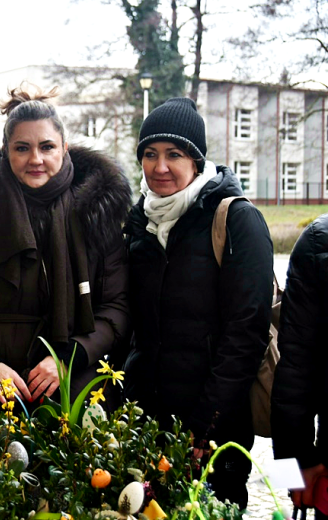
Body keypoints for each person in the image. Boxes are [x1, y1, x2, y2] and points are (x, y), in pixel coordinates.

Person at [0, 86, 131, 428]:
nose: (35, 159)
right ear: (7, 152)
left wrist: (69, 359)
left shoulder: (97, 213)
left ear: (64, 149)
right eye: (22, 148)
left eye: (47, 147)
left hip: (74, 393)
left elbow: (117, 307)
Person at [123, 98, 273, 508]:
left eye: (175, 154)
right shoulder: (139, 223)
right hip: (146, 423)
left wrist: (204, 425)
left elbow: (247, 331)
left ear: (197, 160)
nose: (160, 167)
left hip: (214, 430)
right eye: (150, 155)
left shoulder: (236, 220)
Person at [272, 213, 328, 518]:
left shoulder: (317, 240)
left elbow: (295, 367)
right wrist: (295, 466)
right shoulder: (318, 242)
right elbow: (296, 368)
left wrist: (294, 469)